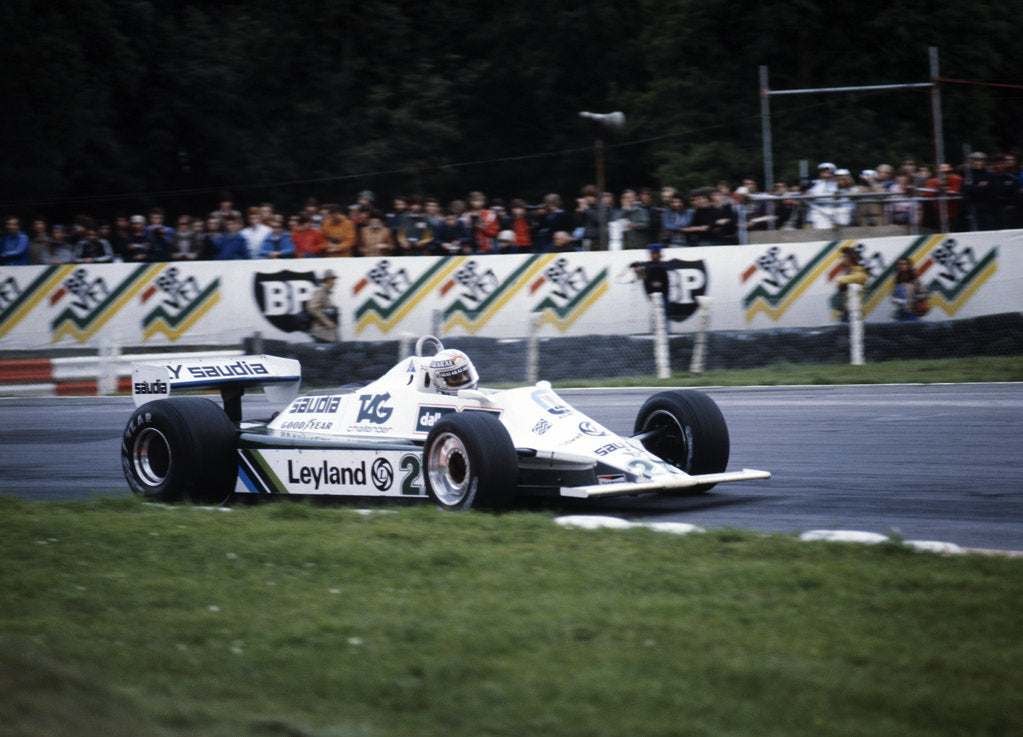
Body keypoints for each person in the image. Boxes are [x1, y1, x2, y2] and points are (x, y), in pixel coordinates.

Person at [961, 152, 999, 231]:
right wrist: (978, 187)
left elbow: (985, 189)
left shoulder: (990, 175)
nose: (977, 162)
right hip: (973, 210)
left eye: (981, 160)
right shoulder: (967, 175)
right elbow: (964, 189)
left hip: (988, 210)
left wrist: (972, 186)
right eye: (975, 160)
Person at [830, 245, 868, 321]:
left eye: (845, 257)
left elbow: (862, 277)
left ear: (850, 257)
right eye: (842, 257)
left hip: (855, 311)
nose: (843, 259)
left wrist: (842, 279)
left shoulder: (858, 270)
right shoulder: (846, 272)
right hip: (845, 310)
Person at [307, 269, 339, 343]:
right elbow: (312, 307)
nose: (334, 282)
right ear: (328, 280)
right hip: (322, 333)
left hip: (326, 333)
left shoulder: (326, 292)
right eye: (333, 280)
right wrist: (326, 321)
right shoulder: (321, 291)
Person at [807, 162, 840, 229]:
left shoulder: (838, 184)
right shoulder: (813, 183)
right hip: (815, 213)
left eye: (829, 173)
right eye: (824, 172)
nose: (826, 175)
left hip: (832, 213)